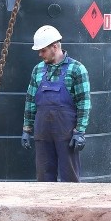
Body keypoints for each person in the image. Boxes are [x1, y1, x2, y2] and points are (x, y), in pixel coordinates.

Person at [21, 25, 91, 182]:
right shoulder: (38, 70)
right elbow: (31, 100)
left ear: (55, 46)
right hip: (42, 132)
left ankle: (71, 206)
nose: (40, 54)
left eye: (43, 50)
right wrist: (27, 128)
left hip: (66, 134)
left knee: (69, 179)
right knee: (44, 177)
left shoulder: (77, 69)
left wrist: (80, 132)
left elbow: (84, 103)